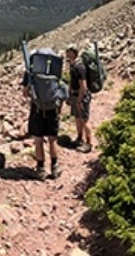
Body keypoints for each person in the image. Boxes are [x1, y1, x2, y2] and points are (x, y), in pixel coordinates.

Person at [21, 48, 65, 181]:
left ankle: (40, 169)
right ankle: (55, 167)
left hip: (37, 109)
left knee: (38, 140)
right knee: (52, 139)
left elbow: (25, 92)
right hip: (52, 109)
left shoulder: (31, 72)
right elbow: (61, 92)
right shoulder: (56, 70)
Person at [65, 44, 93, 153]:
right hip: (75, 95)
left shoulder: (79, 67)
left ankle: (89, 143)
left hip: (81, 96)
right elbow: (72, 82)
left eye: (68, 51)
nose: (67, 53)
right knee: (77, 118)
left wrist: (80, 100)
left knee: (84, 119)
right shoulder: (73, 65)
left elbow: (83, 86)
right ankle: (79, 138)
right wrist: (70, 95)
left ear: (73, 52)